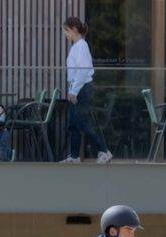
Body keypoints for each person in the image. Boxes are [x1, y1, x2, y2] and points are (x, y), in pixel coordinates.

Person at [61, 17, 112, 164]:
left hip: (82, 89)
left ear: (74, 30)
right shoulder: (76, 46)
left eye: (66, 30)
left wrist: (74, 91)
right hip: (77, 88)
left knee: (83, 122)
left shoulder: (81, 46)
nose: (65, 34)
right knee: (74, 124)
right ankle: (74, 156)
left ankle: (104, 150)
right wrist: (72, 89)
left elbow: (82, 71)